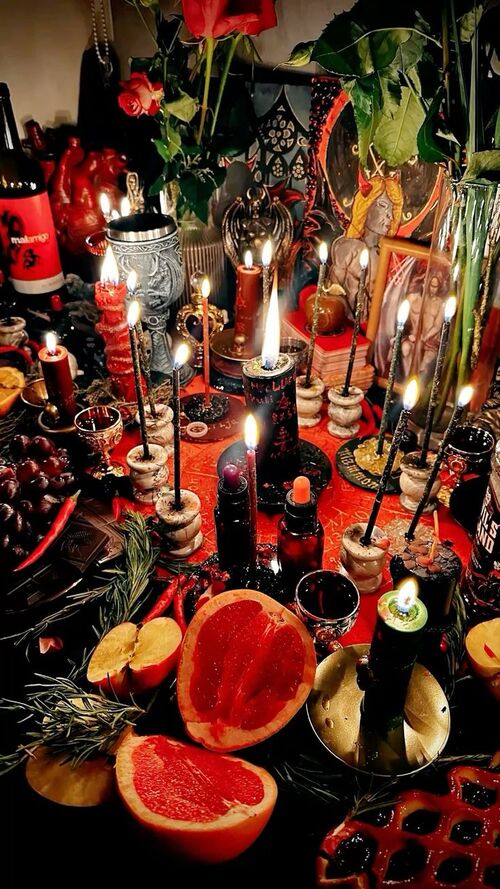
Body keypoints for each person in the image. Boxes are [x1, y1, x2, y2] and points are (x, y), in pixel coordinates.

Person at [328, 175, 404, 319]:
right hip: (345, 322)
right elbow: (333, 290)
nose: (389, 215)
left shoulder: (387, 256)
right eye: (383, 206)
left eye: (392, 209)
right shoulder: (349, 247)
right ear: (366, 206)